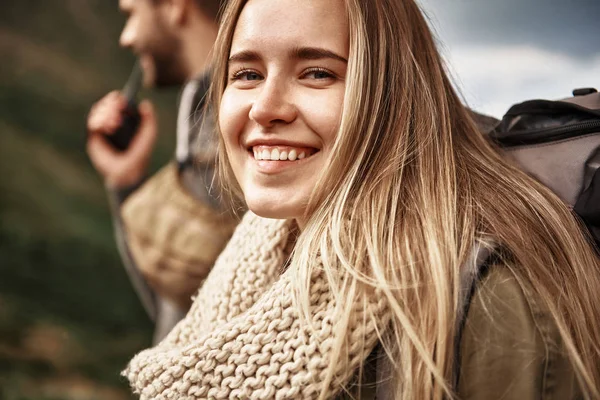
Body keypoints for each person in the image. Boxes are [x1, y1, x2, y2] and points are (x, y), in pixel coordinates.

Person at [124, 0, 600, 399]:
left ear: (391, 93)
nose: (265, 108)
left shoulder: (488, 298)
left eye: (316, 73)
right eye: (246, 73)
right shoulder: (268, 245)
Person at [86, 0, 237, 343]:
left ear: (174, 6)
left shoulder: (231, 119)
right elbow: (185, 307)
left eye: (131, 13)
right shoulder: (201, 103)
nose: (126, 37)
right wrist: (124, 181)